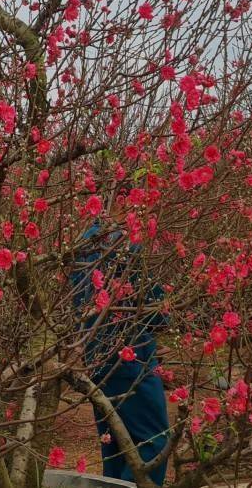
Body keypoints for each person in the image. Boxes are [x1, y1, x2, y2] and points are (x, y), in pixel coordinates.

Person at [71, 182, 169, 484]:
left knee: (114, 448)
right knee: (153, 442)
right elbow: (151, 308)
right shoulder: (125, 244)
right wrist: (166, 312)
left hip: (97, 359)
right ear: (126, 200)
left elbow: (76, 302)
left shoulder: (84, 241)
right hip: (130, 358)